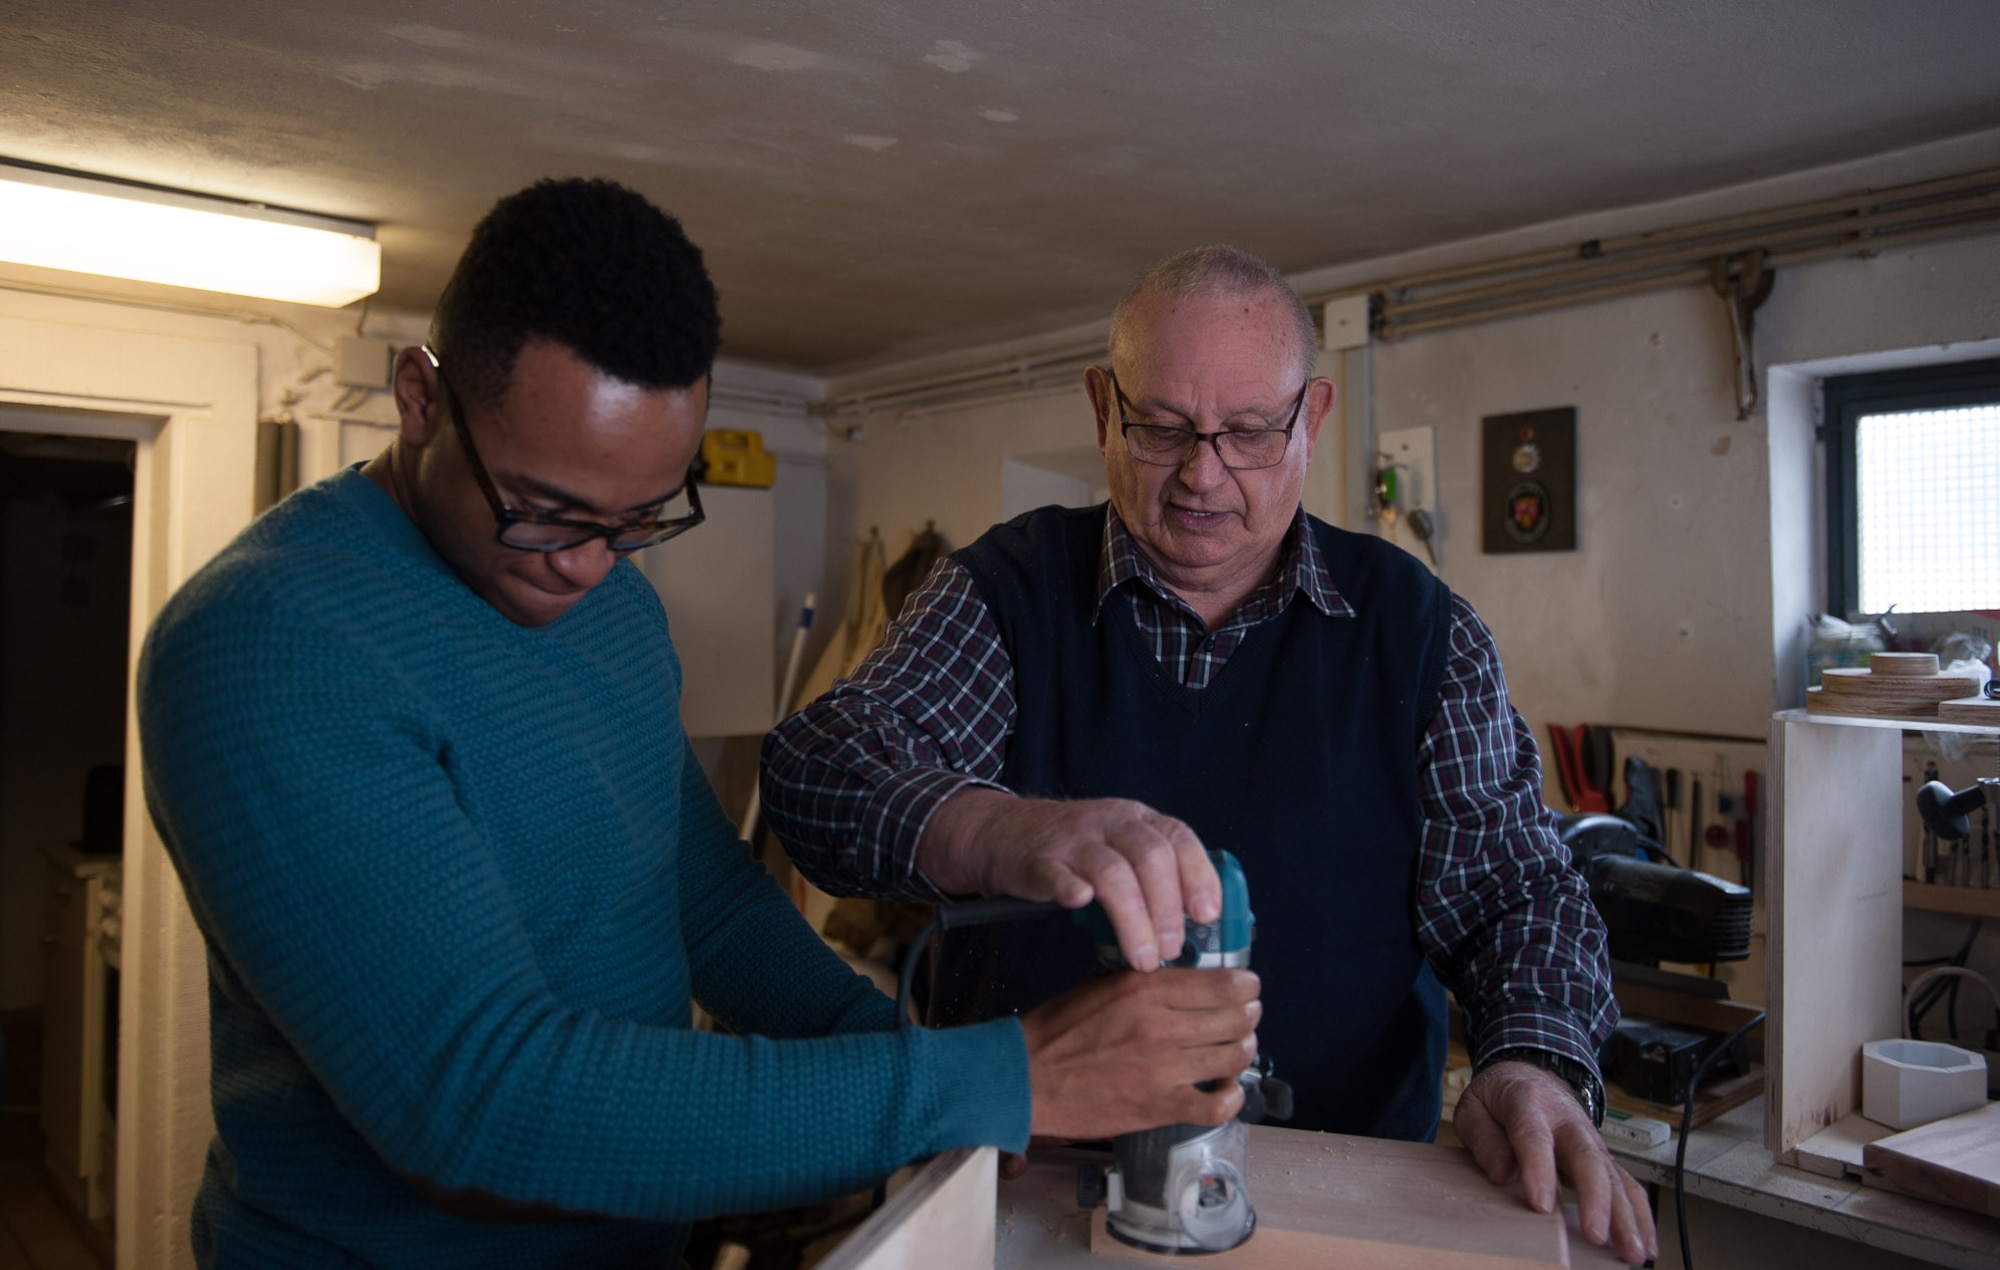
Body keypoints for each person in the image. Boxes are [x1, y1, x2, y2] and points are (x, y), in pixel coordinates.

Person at [136, 180, 1261, 1269]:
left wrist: (935, 1071)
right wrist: (1000, 1078)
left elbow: (708, 908)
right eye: (542, 510)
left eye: (636, 518)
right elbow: (478, 1106)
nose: (583, 563)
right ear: (420, 397)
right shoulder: (276, 643)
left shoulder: (609, 607)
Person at [762, 245, 1656, 1265]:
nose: (1201, 474)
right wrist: (996, 823)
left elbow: (1514, 893)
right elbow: (817, 770)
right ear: (1102, 408)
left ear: (1310, 418)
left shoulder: (1417, 633)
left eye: (1246, 431)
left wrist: (1534, 1061)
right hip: (1030, 1185)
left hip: (1341, 1194)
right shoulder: (1004, 593)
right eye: (1161, 428)